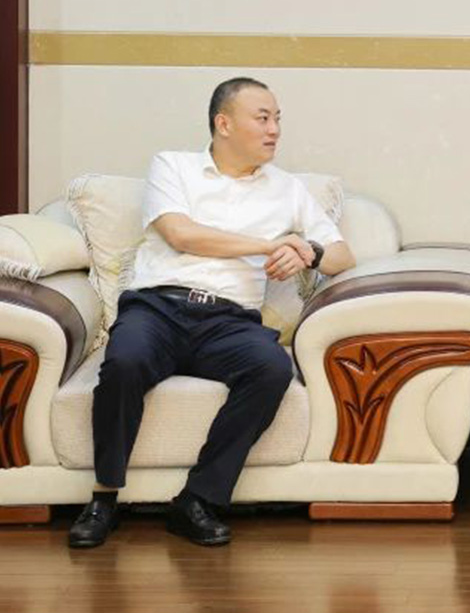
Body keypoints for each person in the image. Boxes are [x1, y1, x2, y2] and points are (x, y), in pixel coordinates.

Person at [68, 77, 356, 548]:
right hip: (158, 308)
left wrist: (309, 250)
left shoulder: (288, 189)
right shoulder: (173, 166)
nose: (275, 129)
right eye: (262, 118)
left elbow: (343, 256)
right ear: (224, 123)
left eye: (277, 119)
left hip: (229, 321)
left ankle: (197, 500)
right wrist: (271, 245)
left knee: (270, 369)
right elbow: (182, 235)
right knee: (124, 361)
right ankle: (104, 498)